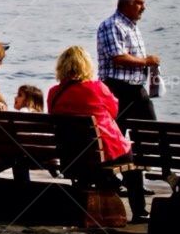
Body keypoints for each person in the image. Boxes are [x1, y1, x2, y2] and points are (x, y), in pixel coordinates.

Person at [47, 45, 147, 223]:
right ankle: (138, 211)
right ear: (86, 65)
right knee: (131, 164)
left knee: (94, 159)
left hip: (71, 156)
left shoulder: (53, 93)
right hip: (105, 153)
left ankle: (106, 184)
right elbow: (115, 112)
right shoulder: (97, 87)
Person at [96, 0, 160, 127]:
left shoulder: (131, 26)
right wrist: (145, 61)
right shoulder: (113, 25)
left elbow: (129, 55)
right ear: (127, 4)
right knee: (117, 133)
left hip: (136, 89)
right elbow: (118, 58)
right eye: (140, 3)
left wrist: (146, 61)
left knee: (151, 133)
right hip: (117, 89)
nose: (144, 7)